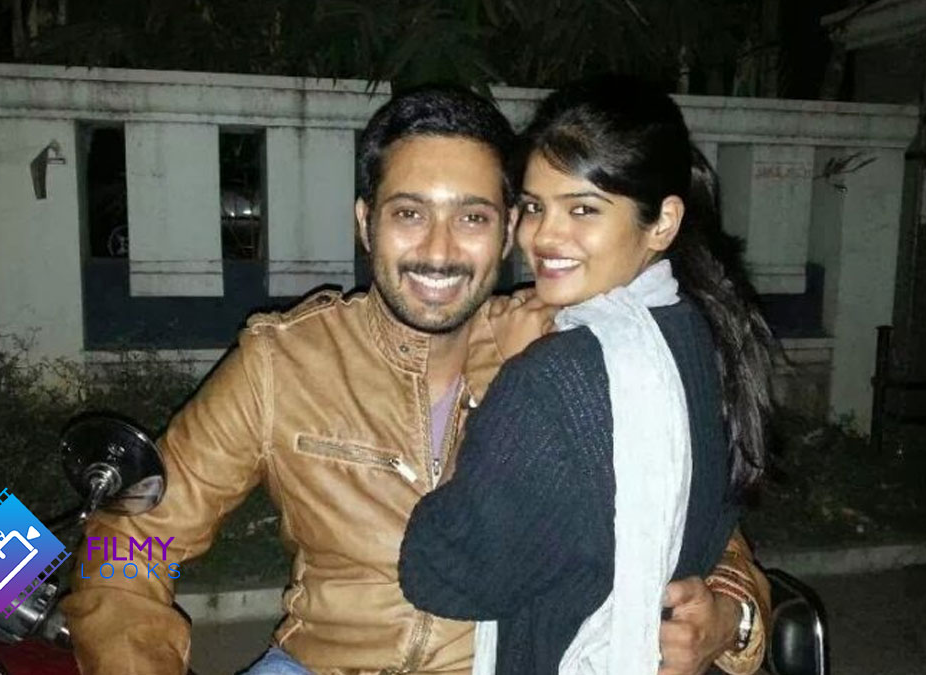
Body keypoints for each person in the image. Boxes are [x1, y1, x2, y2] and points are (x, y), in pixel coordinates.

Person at [61, 85, 770, 675]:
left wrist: (731, 617)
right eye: (409, 214)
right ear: (366, 223)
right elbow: (137, 535)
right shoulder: (285, 361)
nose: (438, 250)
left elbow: (695, 514)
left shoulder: (563, 353)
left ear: (507, 231)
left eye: (472, 217)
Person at [399, 77, 775, 675]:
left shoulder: (553, 376)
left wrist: (510, 379)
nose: (543, 236)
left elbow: (443, 574)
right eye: (534, 207)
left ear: (663, 222)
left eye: (583, 209)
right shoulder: (699, 332)